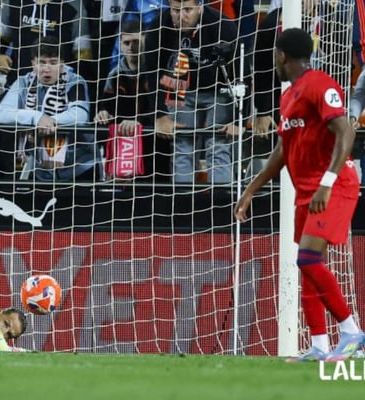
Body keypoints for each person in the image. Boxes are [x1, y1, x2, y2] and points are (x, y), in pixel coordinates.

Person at [234, 28, 364, 362]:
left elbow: (345, 132)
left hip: (333, 186)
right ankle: (319, 345)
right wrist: (250, 190)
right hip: (306, 190)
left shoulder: (320, 84)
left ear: (281, 56)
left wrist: (327, 181)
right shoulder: (288, 96)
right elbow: (282, 151)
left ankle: (351, 331)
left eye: (274, 55)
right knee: (306, 264)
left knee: (307, 258)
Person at [144, 0, 244, 184]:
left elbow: (241, 73)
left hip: (218, 90)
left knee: (218, 146)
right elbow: (152, 73)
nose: (181, 16)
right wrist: (159, 115)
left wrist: (239, 120)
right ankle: (183, 200)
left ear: (200, 7)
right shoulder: (157, 27)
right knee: (183, 147)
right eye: (176, 10)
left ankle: (220, 199)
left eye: (188, 10)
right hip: (180, 87)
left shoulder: (223, 25)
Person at [0, 36, 96, 182]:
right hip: (37, 170)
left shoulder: (75, 80)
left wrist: (49, 122)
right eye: (41, 62)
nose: (47, 69)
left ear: (62, 64)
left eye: (53, 63)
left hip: (78, 167)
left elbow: (80, 115)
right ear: (33, 64)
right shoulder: (23, 82)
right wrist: (37, 118)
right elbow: (2, 113)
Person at [94, 20, 158, 179]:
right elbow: (106, 107)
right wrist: (102, 114)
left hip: (154, 144)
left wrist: (139, 122)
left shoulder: (156, 71)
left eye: (136, 42)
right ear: (120, 45)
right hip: (124, 145)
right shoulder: (114, 75)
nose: (131, 47)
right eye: (126, 43)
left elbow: (164, 110)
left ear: (145, 41)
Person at [0, 0, 92, 88]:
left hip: (59, 89)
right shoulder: (12, 3)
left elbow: (83, 58)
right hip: (17, 84)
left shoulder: (74, 6)